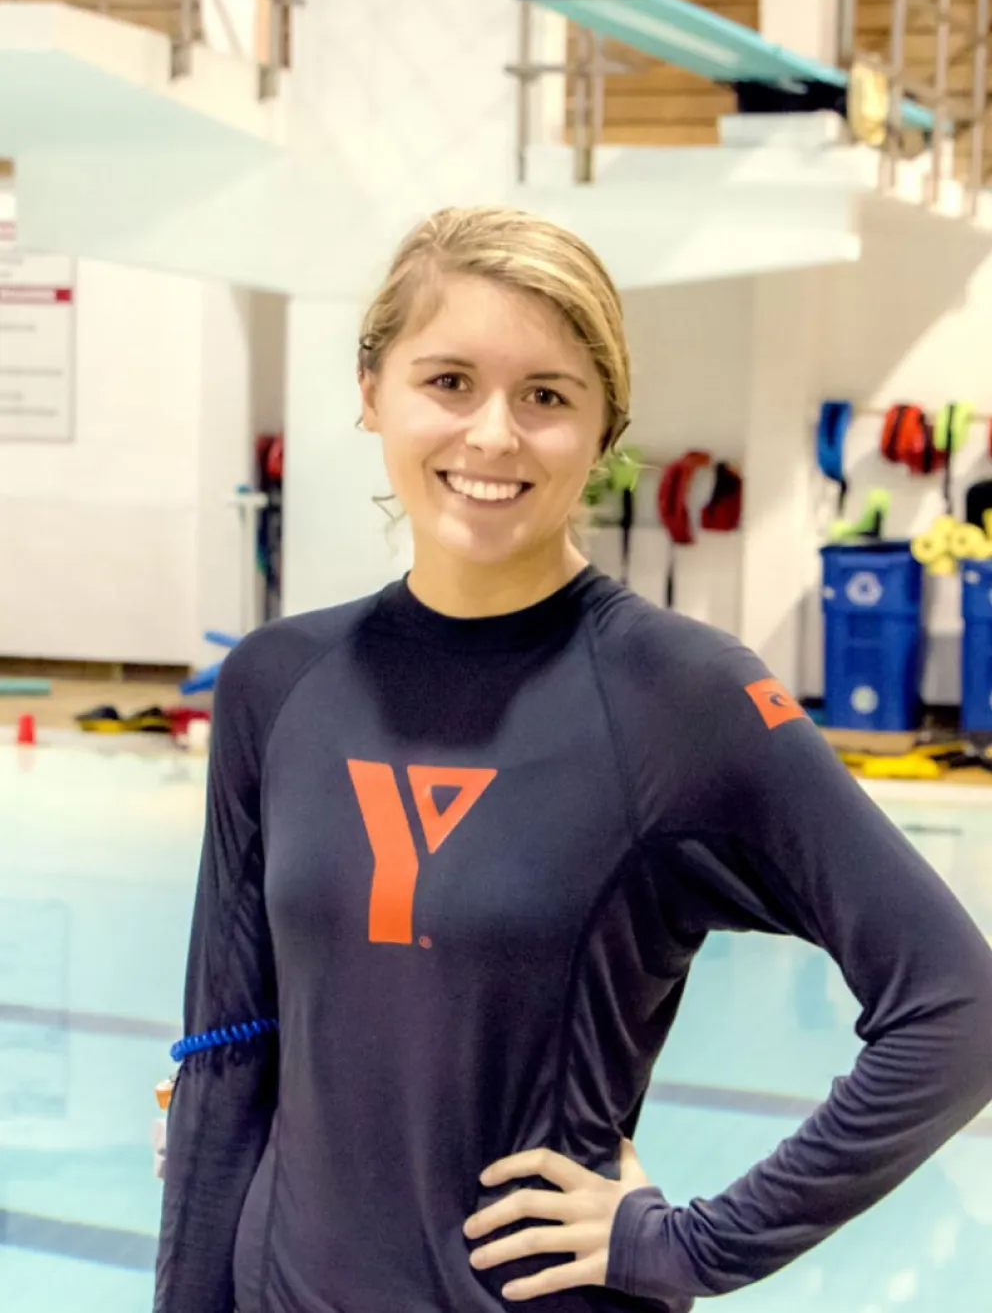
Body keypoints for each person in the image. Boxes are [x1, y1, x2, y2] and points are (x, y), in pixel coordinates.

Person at [153, 206, 992, 1313]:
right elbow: (225, 1053)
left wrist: (698, 1245)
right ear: (370, 390)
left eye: (545, 395)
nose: (491, 434)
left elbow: (955, 1008)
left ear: (603, 430)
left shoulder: (677, 697)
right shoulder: (277, 682)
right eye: (446, 380)